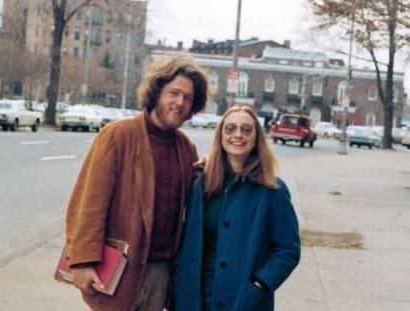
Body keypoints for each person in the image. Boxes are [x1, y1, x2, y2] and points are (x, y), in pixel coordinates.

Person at [64, 55, 209, 311]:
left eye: (188, 98)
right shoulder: (118, 136)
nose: (180, 103)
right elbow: (89, 203)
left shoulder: (186, 148)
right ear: (156, 92)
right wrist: (82, 262)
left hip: (161, 274)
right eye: (174, 93)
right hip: (118, 272)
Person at [172, 104, 301, 311]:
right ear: (220, 136)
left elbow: (288, 250)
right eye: (230, 129)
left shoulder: (272, 190)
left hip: (243, 299)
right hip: (194, 297)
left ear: (256, 138)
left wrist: (259, 285)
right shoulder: (200, 185)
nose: (238, 135)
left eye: (246, 129)